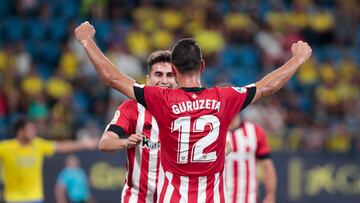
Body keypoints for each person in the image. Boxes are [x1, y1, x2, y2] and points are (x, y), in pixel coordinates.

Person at [75, 21, 311, 202]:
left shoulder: (161, 99)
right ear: (202, 66)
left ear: (174, 70)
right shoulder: (225, 97)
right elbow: (268, 86)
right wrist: (297, 59)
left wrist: (87, 42)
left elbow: (112, 78)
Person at [98, 50, 177, 203]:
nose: (164, 80)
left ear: (177, 79)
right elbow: (104, 143)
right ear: (148, 79)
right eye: (158, 74)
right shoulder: (132, 108)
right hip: (137, 198)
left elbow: (224, 145)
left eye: (170, 75)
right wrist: (125, 142)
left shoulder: (188, 109)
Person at [0, 118, 98, 203]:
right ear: (20, 131)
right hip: (13, 199)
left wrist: (83, 144)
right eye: (30, 129)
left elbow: (61, 147)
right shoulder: (6, 147)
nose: (34, 131)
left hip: (35, 198)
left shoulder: (38, 145)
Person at [225, 114, 277, 203]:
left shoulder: (255, 131)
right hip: (220, 197)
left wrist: (270, 196)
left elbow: (268, 167)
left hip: (249, 198)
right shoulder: (215, 132)